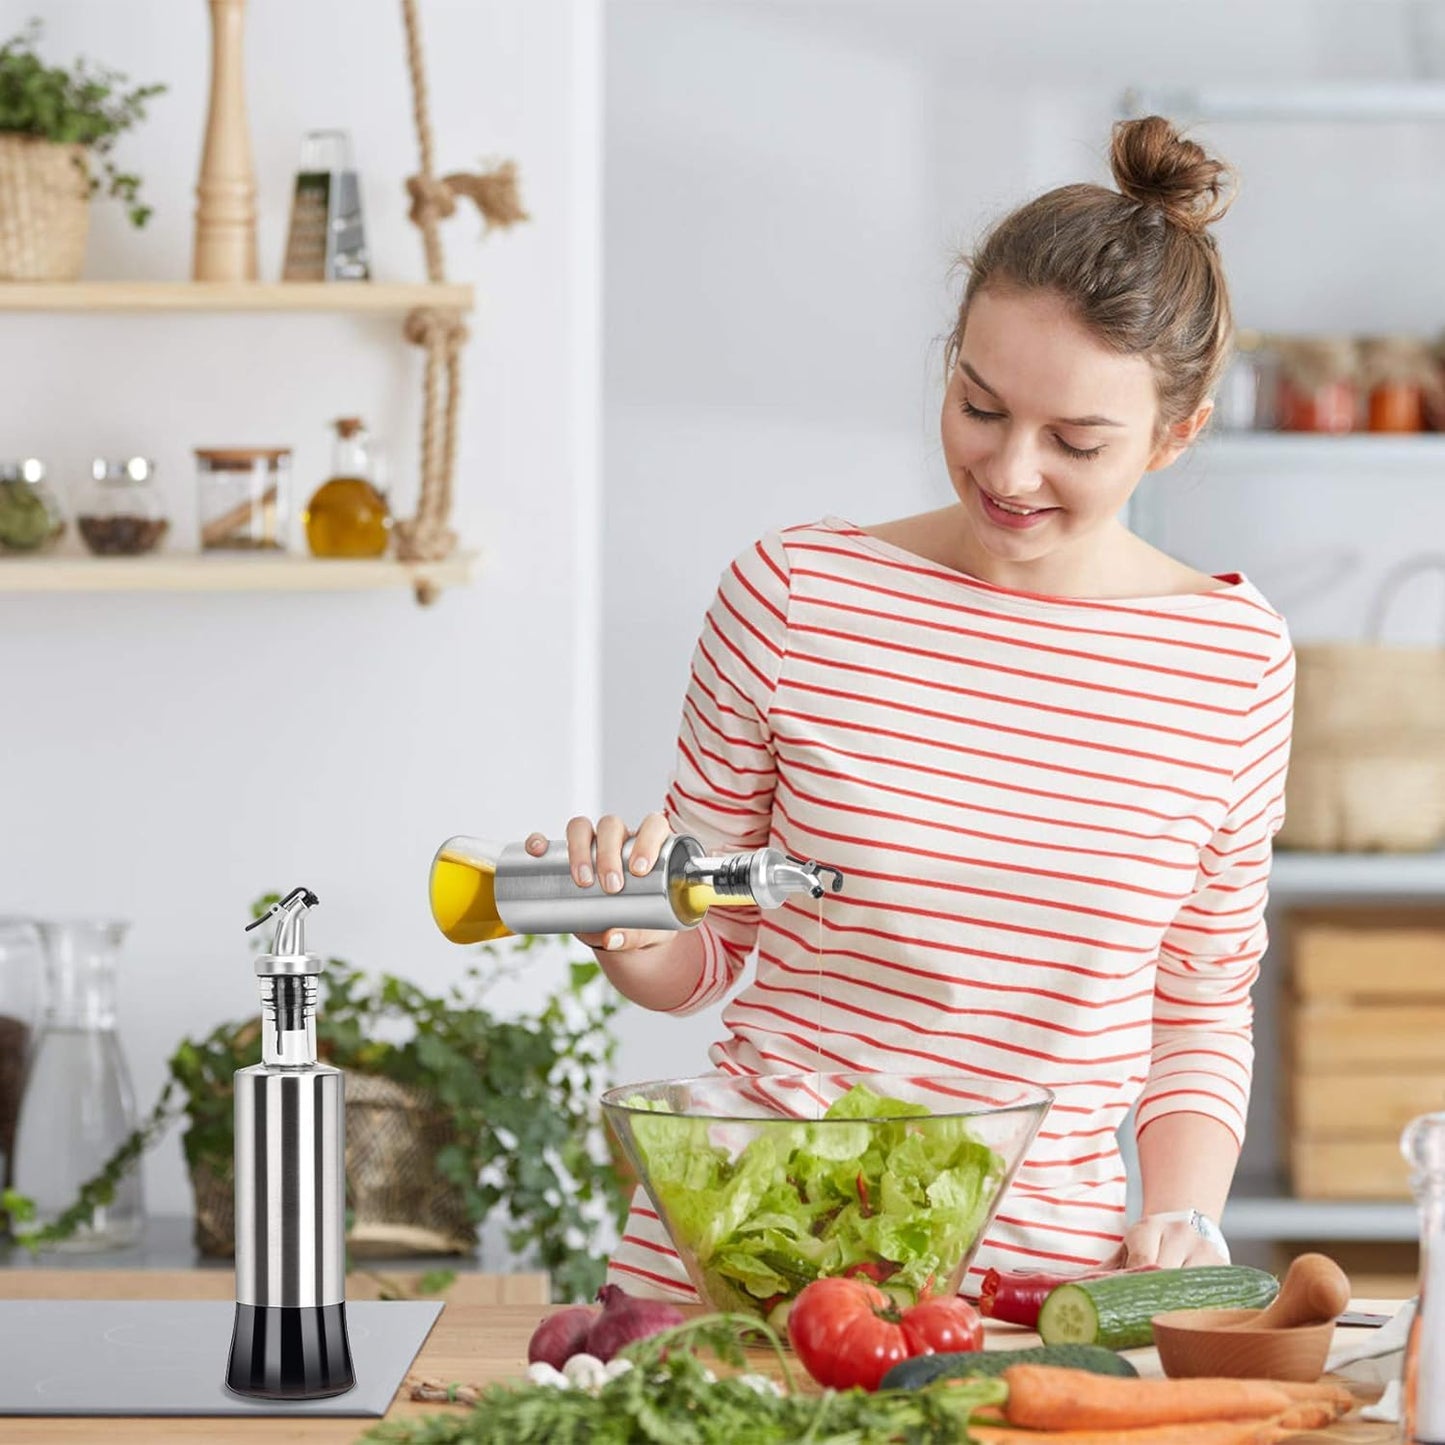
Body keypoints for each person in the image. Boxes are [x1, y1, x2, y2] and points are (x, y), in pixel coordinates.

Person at [531, 115, 1294, 1299]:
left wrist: (1185, 1213)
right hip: (743, 1246)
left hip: (1027, 1299)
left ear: (1176, 434)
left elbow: (1197, 998)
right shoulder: (793, 595)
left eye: (1076, 440)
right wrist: (628, 929)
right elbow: (710, 945)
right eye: (978, 406)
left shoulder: (1231, 661)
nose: (1009, 470)